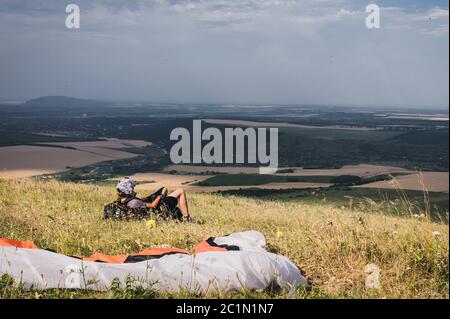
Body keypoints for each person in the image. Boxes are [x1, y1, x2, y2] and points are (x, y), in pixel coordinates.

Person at [116, 177, 192, 222]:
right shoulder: (134, 202)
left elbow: (141, 204)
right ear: (128, 190)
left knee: (164, 189)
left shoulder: (122, 201)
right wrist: (159, 197)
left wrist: (143, 199)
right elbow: (153, 206)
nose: (133, 189)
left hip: (148, 208)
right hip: (159, 208)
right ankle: (187, 218)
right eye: (132, 188)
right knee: (180, 191)